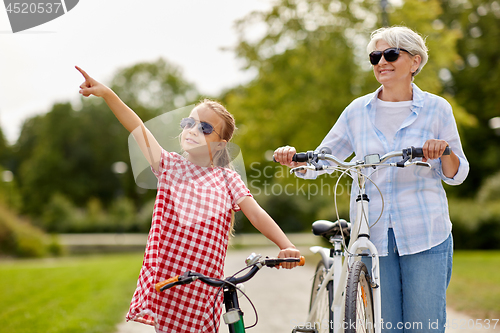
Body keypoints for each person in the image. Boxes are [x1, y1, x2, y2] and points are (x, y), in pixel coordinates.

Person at [76, 66, 301, 333]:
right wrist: (107, 93)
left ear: (220, 144)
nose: (193, 129)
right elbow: (137, 127)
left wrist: (286, 245)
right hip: (171, 284)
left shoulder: (227, 179)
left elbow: (256, 214)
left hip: (206, 292)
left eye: (205, 128)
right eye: (189, 123)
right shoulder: (170, 166)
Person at [274, 26, 468, 332]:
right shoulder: (356, 111)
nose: (381, 62)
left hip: (425, 231)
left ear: (415, 62)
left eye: (390, 54)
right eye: (375, 56)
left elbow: (458, 173)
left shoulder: (436, 109)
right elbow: (325, 157)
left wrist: (442, 152)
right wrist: (295, 158)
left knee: (424, 326)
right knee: (387, 326)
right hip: (374, 233)